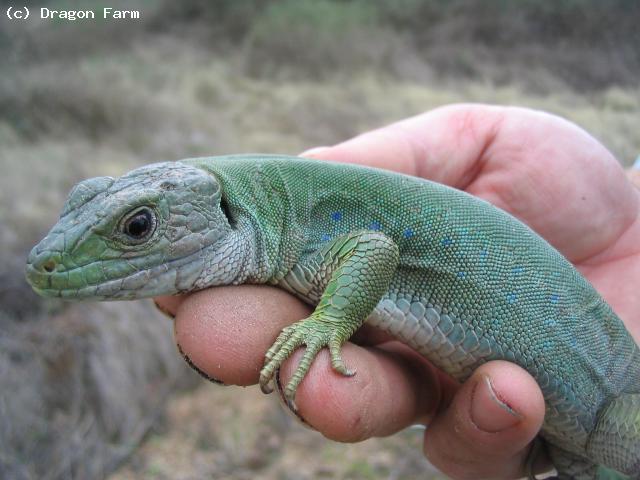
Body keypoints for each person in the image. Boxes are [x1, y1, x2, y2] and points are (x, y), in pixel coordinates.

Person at [154, 104, 640, 479]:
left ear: (224, 208)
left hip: (618, 409)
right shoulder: (296, 225)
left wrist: (329, 322)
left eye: (139, 228)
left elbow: (373, 251)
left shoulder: (305, 230)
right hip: (574, 436)